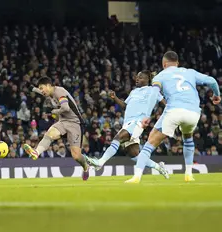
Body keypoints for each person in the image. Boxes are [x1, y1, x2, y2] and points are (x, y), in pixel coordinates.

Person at [126, 51, 221, 183]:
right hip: (193, 113)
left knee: (150, 142)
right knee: (188, 138)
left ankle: (136, 177)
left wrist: (147, 115)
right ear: (177, 63)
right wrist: (217, 95)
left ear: (164, 64)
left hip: (174, 110)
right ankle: (188, 174)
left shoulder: (159, 76)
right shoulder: (189, 72)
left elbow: (154, 94)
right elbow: (211, 81)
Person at [85, 71, 169, 179]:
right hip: (127, 123)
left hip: (138, 121)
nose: (137, 79)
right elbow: (125, 106)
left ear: (147, 80)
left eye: (140, 77)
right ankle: (159, 167)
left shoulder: (153, 90)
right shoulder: (133, 92)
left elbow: (165, 103)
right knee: (134, 154)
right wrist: (115, 98)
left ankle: (100, 162)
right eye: (137, 77)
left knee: (118, 137)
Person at [24, 77, 90, 180]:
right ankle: (36, 152)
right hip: (63, 122)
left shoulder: (60, 91)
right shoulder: (48, 92)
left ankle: (85, 166)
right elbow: (40, 92)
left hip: (75, 123)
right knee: (49, 134)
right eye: (40, 89)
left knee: (76, 156)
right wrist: (32, 88)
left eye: (42, 88)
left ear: (49, 85)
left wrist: (56, 111)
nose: (41, 91)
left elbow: (65, 108)